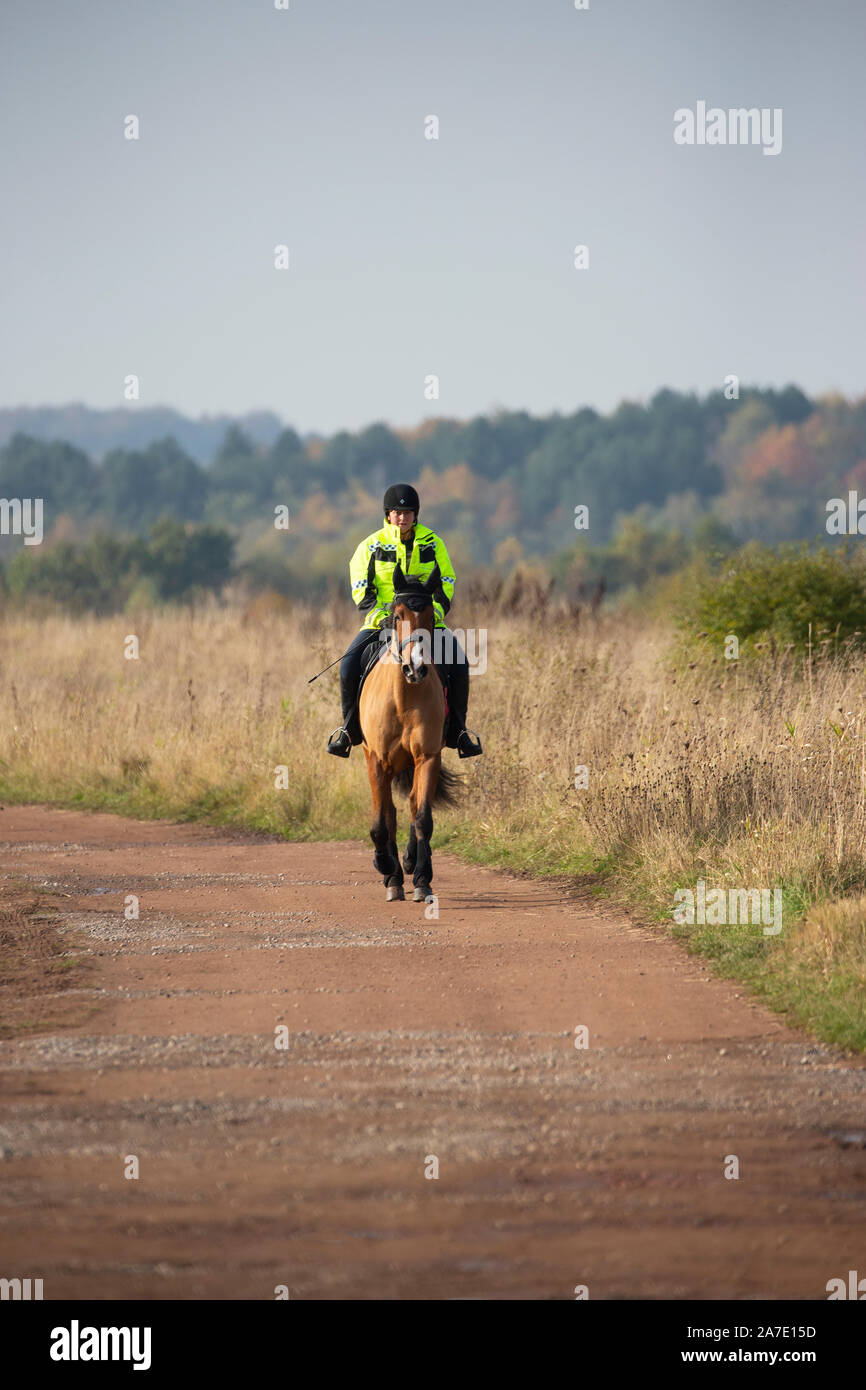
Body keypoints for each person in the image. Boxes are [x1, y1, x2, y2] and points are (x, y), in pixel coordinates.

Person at [326, 483, 483, 759]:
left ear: (415, 514)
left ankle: (459, 732)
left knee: (459, 664)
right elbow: (360, 585)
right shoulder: (371, 545)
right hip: (383, 624)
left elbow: (446, 580)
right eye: (397, 512)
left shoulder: (433, 542)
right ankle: (348, 731)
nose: (402, 517)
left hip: (425, 622)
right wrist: (379, 615)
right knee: (348, 666)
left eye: (408, 512)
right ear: (388, 514)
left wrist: (435, 612)